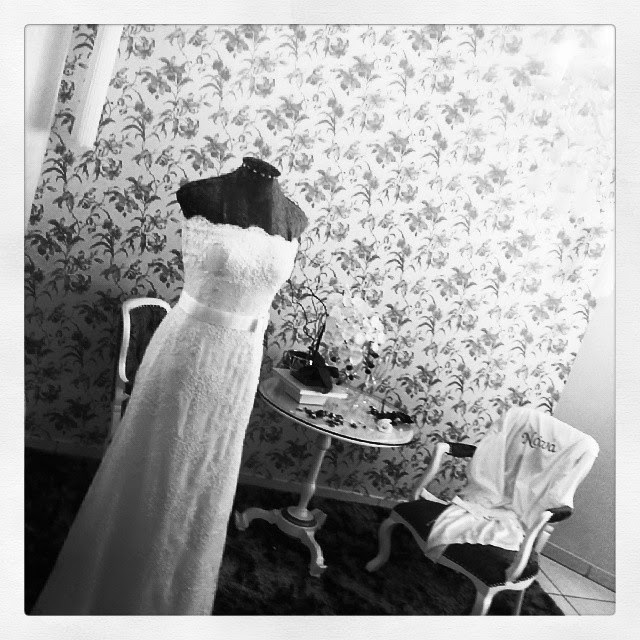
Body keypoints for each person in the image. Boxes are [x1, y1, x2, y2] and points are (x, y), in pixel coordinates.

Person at [32, 157, 308, 615]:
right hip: (189, 353)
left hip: (240, 364)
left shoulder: (295, 218)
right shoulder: (201, 194)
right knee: (161, 457)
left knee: (210, 470)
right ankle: (116, 574)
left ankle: (178, 588)